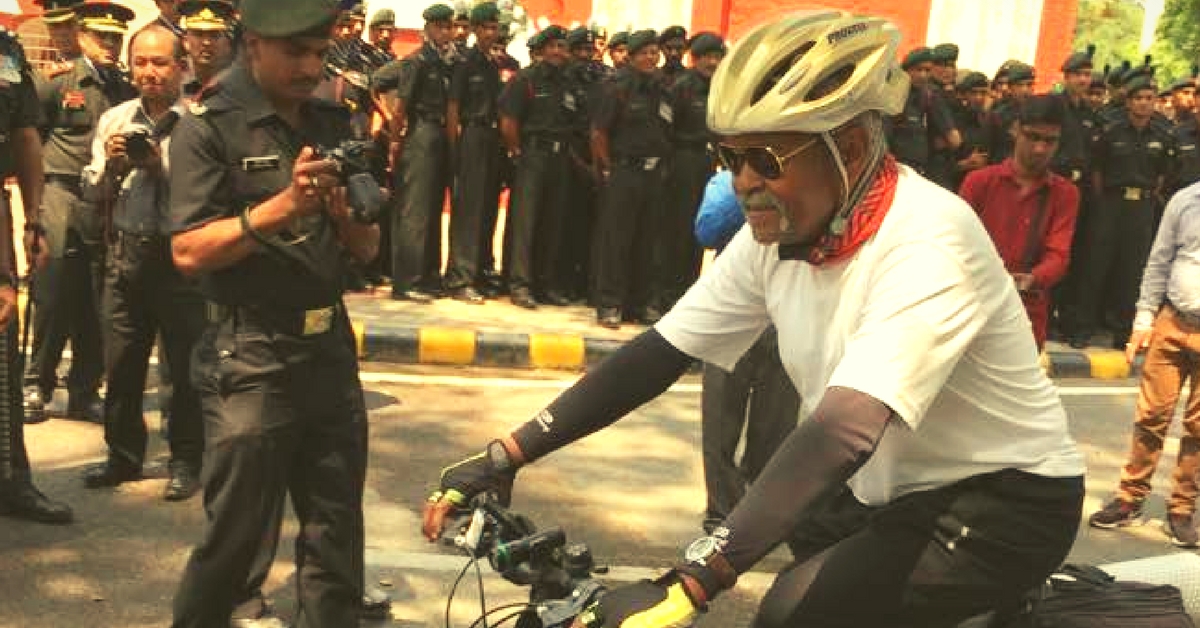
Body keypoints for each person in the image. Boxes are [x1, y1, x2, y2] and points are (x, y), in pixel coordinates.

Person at [422, 11, 1084, 628]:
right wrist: (506, 453)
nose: (742, 181)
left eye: (765, 159)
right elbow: (660, 352)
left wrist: (695, 580)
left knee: (790, 614)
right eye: (728, 157)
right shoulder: (782, 232)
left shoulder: (931, 240)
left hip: (999, 501)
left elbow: (842, 427)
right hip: (880, 483)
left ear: (850, 148)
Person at [166, 0, 380, 623]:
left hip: (328, 352)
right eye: (296, 52)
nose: (311, 66)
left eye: (320, 51)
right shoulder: (207, 125)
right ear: (254, 42)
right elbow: (187, 250)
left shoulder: (333, 119)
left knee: (335, 538)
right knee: (234, 543)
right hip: (250, 355)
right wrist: (279, 209)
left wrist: (344, 217)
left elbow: (367, 248)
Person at [78, 22, 207, 502]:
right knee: (123, 364)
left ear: (181, 67)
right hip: (126, 254)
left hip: (179, 258)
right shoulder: (114, 119)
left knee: (185, 368)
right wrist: (112, 167)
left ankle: (185, 460)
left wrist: (159, 167)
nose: (150, 72)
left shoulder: (199, 121)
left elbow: (209, 195)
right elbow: (91, 189)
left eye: (160, 62)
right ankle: (122, 455)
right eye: (141, 63)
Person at [28, 0, 137, 424]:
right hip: (62, 192)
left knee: (98, 297)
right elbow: (29, 142)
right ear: (82, 37)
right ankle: (37, 383)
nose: (110, 44)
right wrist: (34, 209)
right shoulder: (58, 82)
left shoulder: (124, 89)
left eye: (116, 38)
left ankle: (84, 389)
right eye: (102, 36)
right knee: (53, 292)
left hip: (105, 198)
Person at [1088, 179, 1200, 548]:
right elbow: (1160, 260)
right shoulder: (1185, 201)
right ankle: (1129, 498)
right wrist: (1143, 320)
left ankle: (1181, 510)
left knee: (1199, 428)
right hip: (1173, 320)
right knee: (1151, 416)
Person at [693, 169, 798, 535]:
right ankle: (720, 514)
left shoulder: (801, 182)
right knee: (720, 423)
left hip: (785, 318)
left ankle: (755, 508)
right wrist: (750, 196)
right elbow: (706, 230)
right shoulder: (727, 182)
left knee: (775, 426)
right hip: (731, 318)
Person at [0, 25, 72, 526]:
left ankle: (11, 481)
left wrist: (33, 220)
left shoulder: (5, 53)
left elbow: (26, 136)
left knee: (4, 350)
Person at [960, 96, 1080, 351]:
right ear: (1015, 130)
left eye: (1049, 141)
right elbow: (956, 245)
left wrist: (1032, 279)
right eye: (1032, 137)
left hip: (1027, 309)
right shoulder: (979, 182)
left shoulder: (1065, 193)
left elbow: (1059, 255)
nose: (1039, 149)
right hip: (971, 304)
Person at [1072, 75, 1176, 349]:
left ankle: (1122, 331)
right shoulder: (1111, 131)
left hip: (1141, 207)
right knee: (1096, 264)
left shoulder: (1163, 137)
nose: (1143, 104)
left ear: (1154, 103)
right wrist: (1104, 200)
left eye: (1149, 99)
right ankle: (1083, 327)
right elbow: (1097, 170)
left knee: (1131, 270)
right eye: (1138, 98)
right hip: (1110, 203)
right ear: (1129, 102)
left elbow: (1163, 176)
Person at [591, 29, 673, 328]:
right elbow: (599, 132)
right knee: (617, 241)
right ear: (633, 56)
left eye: (655, 52)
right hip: (625, 172)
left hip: (654, 175)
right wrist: (610, 168)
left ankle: (640, 305)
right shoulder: (617, 87)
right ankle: (609, 305)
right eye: (645, 53)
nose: (651, 58)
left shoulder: (664, 88)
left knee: (647, 241)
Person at [497, 25, 573, 310]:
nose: (557, 52)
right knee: (525, 223)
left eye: (562, 47)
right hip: (532, 154)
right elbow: (508, 121)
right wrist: (517, 152)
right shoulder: (525, 79)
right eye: (552, 46)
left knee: (552, 222)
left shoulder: (568, 81)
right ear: (541, 50)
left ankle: (546, 284)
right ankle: (520, 285)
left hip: (559, 158)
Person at [386, 3, 456, 303]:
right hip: (421, 133)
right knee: (415, 211)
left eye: (448, 26)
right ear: (427, 28)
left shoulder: (446, 62)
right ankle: (406, 281)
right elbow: (401, 107)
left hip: (441, 133)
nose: (445, 32)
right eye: (439, 26)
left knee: (433, 208)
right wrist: (394, 141)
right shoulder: (418, 61)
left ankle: (428, 276)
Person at [660, 32, 724, 310]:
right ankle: (666, 294)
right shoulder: (681, 87)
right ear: (694, 58)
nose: (713, 62)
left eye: (717, 56)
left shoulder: (720, 89)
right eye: (707, 56)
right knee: (677, 228)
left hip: (707, 163)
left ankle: (687, 293)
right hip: (682, 162)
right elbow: (665, 130)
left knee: (701, 227)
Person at [444, 2, 502, 304]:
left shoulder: (491, 63)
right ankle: (459, 278)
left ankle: (478, 272)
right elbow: (453, 105)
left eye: (496, 27)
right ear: (477, 30)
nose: (493, 33)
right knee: (469, 210)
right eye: (488, 27)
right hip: (472, 135)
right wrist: (454, 146)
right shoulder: (465, 61)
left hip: (491, 137)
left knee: (486, 208)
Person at [1051, 46, 1100, 345]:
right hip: (1058, 184)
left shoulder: (1090, 114)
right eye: (1078, 74)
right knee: (1054, 250)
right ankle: (1047, 316)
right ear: (1066, 77)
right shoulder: (1055, 107)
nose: (1083, 80)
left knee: (1079, 254)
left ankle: (1069, 320)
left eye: (1086, 74)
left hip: (1083, 192)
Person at [886, 46, 959, 178]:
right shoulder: (894, 97)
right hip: (895, 171)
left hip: (920, 171)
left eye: (927, 70)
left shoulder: (927, 96)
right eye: (918, 70)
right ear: (906, 70)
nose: (923, 75)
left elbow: (954, 140)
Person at [178, 0, 237, 98]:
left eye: (214, 35)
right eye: (198, 34)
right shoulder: (172, 83)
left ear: (227, 43)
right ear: (185, 41)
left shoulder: (241, 84)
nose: (206, 42)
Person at [946, 70, 989, 192]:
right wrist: (965, 164)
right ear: (964, 94)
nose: (979, 98)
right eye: (974, 93)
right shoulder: (953, 122)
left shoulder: (989, 121)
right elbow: (941, 166)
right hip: (956, 186)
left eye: (983, 93)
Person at [986, 62, 1035, 164]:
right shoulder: (998, 116)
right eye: (1020, 85)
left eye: (1029, 85)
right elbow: (990, 150)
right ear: (1011, 88)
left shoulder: (1038, 113)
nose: (1025, 90)